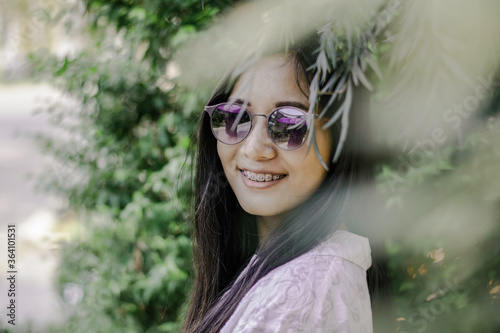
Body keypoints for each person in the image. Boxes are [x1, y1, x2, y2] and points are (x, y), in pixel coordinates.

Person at [182, 37, 377, 332]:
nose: (255, 149)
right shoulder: (297, 271)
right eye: (235, 118)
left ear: (342, 140)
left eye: (290, 124)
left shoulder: (299, 295)